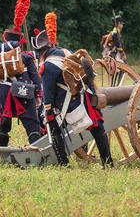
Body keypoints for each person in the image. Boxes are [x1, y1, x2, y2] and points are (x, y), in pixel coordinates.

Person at [32, 25, 114, 168]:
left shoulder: (47, 66)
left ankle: (64, 163)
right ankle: (108, 162)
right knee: (97, 128)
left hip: (69, 103)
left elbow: (48, 92)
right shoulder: (65, 51)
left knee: (53, 127)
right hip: (86, 96)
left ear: (39, 52)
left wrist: (48, 111)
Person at [0, 28, 43, 146]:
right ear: (20, 42)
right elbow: (35, 79)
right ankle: (38, 151)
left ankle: (1, 150)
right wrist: (38, 96)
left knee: (3, 125)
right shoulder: (27, 57)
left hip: (3, 94)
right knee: (32, 124)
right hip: (23, 92)